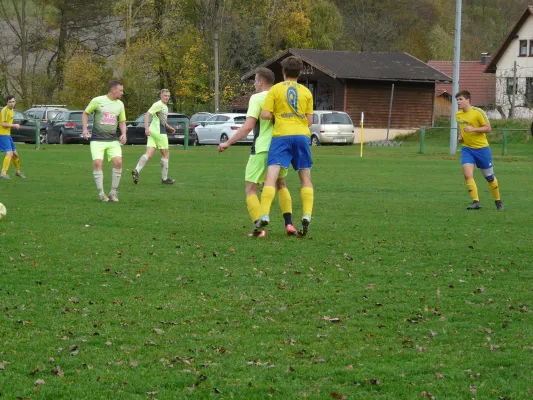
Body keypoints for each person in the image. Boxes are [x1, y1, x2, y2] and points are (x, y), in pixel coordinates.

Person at [218, 67, 298, 237]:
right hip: (282, 148)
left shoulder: (257, 98)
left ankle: (259, 227)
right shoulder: (280, 96)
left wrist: (228, 142)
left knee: (251, 189)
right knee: (281, 185)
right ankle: (289, 224)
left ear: (261, 82)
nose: (254, 84)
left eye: (255, 80)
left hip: (262, 148)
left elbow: (248, 126)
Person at [256, 56, 314, 236]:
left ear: (283, 72)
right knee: (305, 179)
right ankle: (306, 214)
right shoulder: (306, 92)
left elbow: (265, 114)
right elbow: (309, 121)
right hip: (301, 136)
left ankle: (264, 214)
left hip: (281, 137)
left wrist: (279, 116)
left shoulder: (275, 90)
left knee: (271, 178)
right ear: (300, 73)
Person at [456, 90, 503, 211]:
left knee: (489, 177)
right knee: (467, 174)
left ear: (468, 100)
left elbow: (488, 129)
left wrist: (473, 129)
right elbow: (461, 128)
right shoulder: (458, 114)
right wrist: (460, 136)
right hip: (467, 149)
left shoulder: (478, 112)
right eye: (457, 100)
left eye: (460, 99)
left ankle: (498, 201)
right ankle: (476, 202)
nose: (458, 102)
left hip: (482, 149)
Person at [82, 80, 127, 202]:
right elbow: (85, 113)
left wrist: (123, 133)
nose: (122, 93)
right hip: (97, 140)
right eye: (121, 90)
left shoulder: (120, 104)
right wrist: (85, 129)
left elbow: (122, 121)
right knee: (97, 163)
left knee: (118, 162)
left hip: (113, 139)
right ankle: (101, 193)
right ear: (114, 90)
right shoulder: (97, 100)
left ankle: (113, 192)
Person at [132, 89, 176, 185]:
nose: (167, 97)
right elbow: (147, 115)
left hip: (153, 132)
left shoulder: (164, 107)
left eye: (168, 96)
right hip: (159, 133)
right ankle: (164, 179)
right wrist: (146, 128)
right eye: (165, 95)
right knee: (165, 154)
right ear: (161, 96)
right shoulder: (158, 104)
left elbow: (163, 122)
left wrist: (169, 128)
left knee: (149, 154)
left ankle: (136, 170)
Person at [0, 95, 26, 179]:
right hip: (2, 134)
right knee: (9, 153)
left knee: (15, 154)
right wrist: (14, 125)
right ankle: (3, 173)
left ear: (15, 102)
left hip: (7, 134)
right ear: (7, 102)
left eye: (13, 102)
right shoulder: (5, 110)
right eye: (10, 102)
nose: (12, 103)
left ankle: (18, 172)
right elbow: (3, 124)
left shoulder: (12, 110)